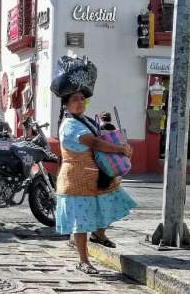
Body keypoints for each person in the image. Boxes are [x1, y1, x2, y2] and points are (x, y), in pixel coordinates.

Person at [51, 56, 136, 275]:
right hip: (76, 180)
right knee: (81, 222)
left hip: (95, 176)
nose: (79, 102)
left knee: (111, 203)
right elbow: (94, 142)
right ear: (67, 104)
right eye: (74, 100)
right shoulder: (69, 125)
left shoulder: (86, 120)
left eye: (82, 99)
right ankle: (84, 261)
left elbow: (101, 136)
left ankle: (99, 234)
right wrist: (119, 150)